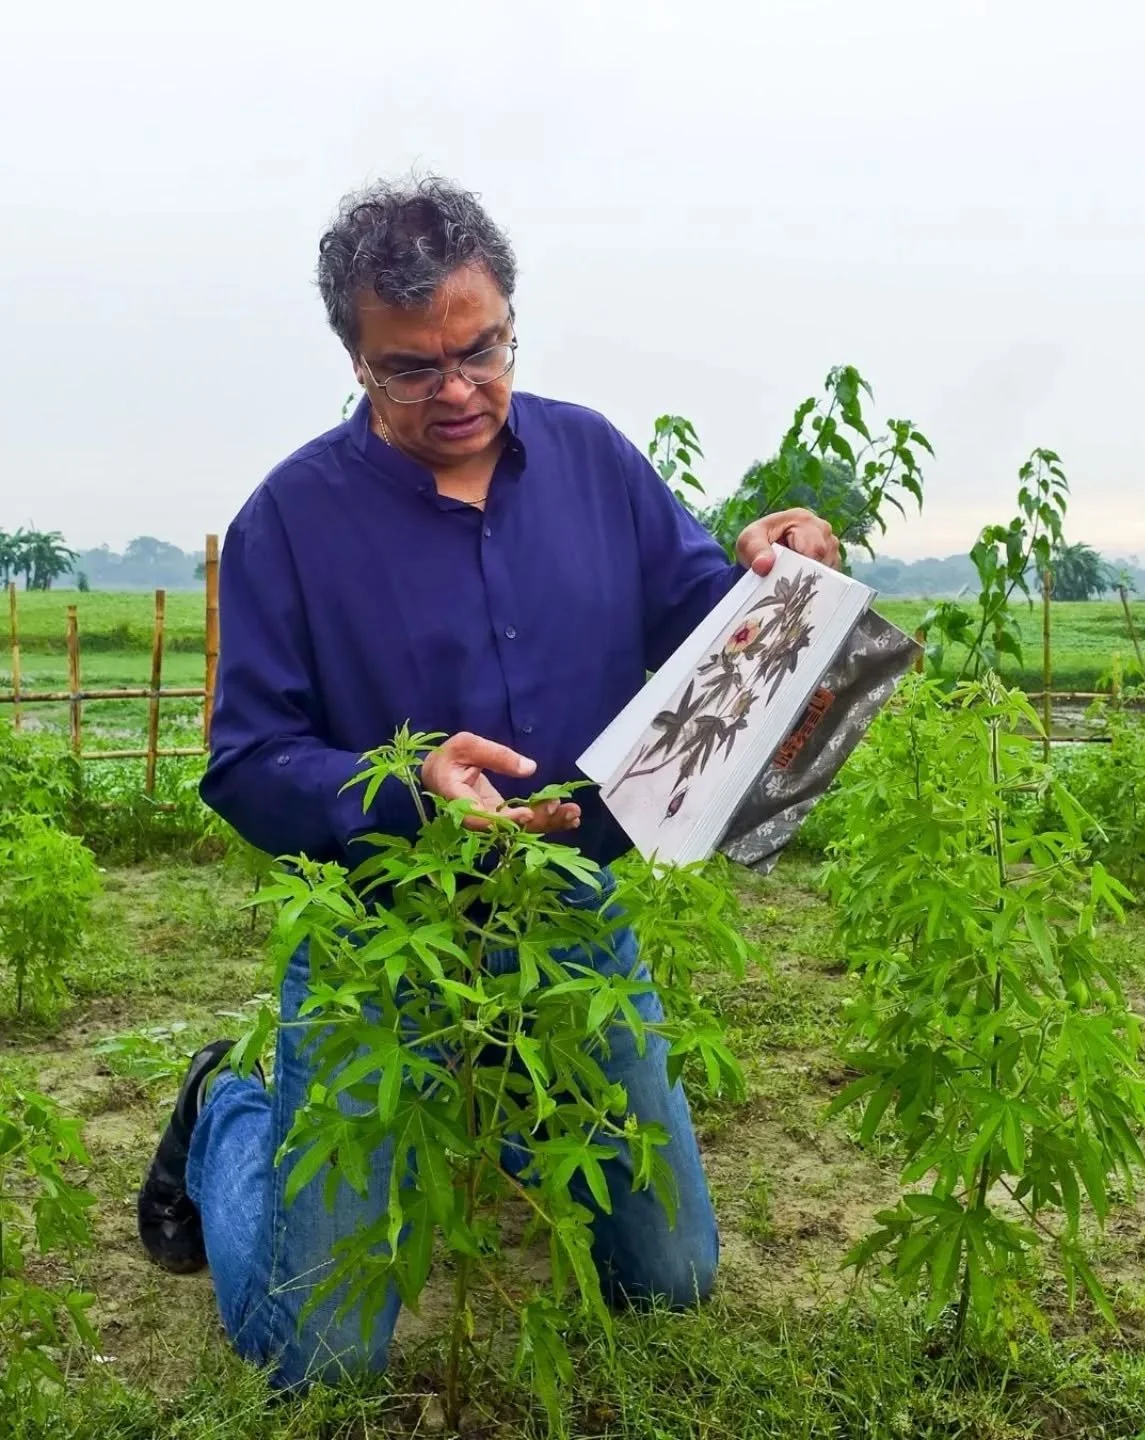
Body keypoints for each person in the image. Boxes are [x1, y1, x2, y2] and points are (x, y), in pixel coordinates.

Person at [136, 175, 841, 1387]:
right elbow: (247, 760)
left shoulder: (594, 461)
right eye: (412, 369)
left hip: (568, 919)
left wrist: (786, 577)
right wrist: (408, 787)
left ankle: (506, 1116)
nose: (458, 388)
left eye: (482, 349)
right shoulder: (290, 521)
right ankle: (228, 1119)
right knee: (320, 1351)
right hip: (376, 938)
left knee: (668, 1280)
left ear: (510, 320)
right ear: (356, 360)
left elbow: (707, 630)